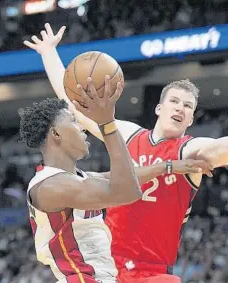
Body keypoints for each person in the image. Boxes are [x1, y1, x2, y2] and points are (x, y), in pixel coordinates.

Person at [24, 24, 228, 283]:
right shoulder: (128, 134)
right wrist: (49, 53)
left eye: (188, 106)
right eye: (175, 101)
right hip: (108, 267)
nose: (180, 108)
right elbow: (75, 104)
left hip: (152, 272)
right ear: (159, 108)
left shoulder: (190, 150)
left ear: (192, 119)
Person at [19, 77, 212, 283]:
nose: (82, 127)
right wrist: (107, 124)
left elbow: (121, 177)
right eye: (74, 122)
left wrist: (169, 166)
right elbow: (126, 191)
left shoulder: (77, 179)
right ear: (56, 133)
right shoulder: (52, 186)